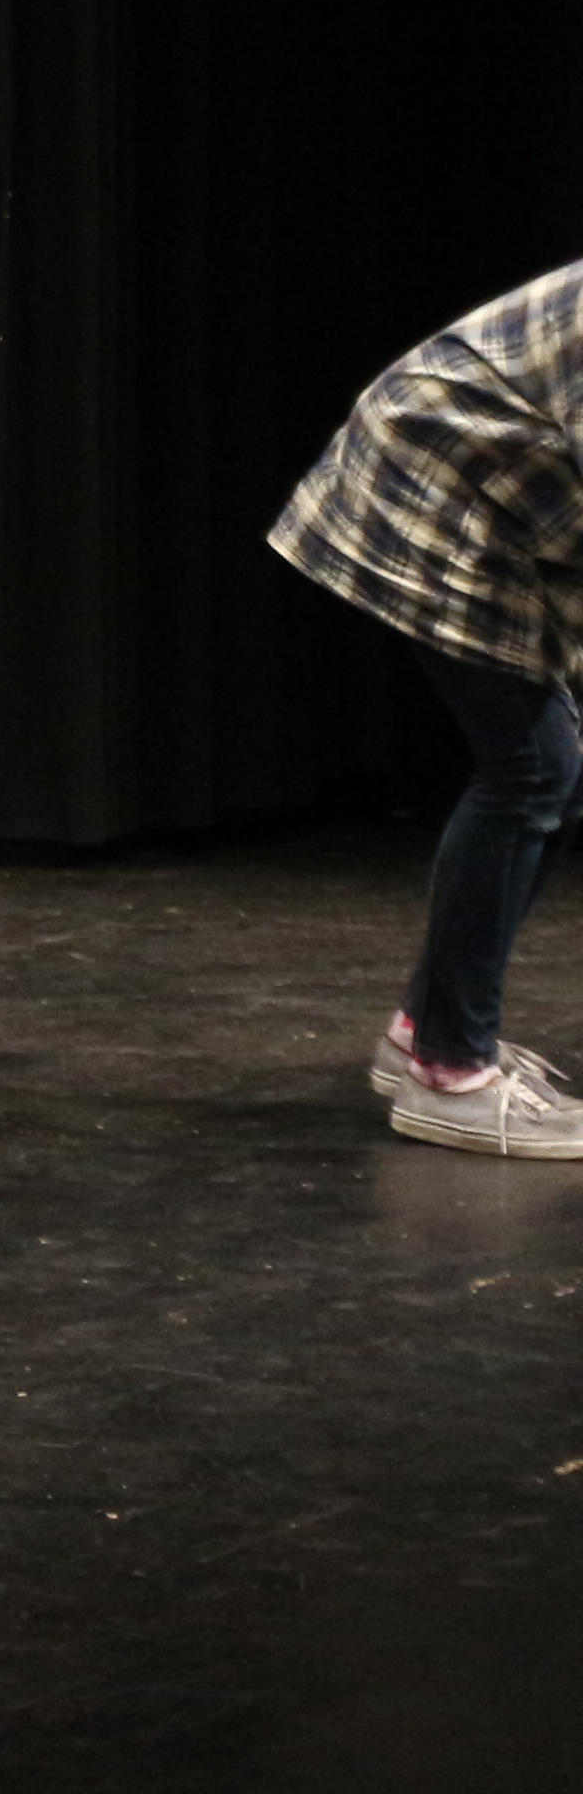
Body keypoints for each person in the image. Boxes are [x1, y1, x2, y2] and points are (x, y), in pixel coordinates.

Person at [269, 263, 583, 1156]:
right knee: (533, 770)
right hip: (438, 486)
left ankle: (424, 1033)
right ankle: (451, 1072)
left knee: (554, 771)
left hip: (497, 501)